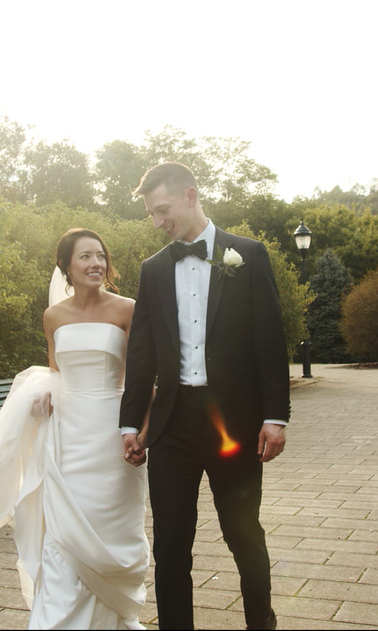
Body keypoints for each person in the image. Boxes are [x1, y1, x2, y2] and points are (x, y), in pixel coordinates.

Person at [119, 162, 290, 630]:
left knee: (243, 534)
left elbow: (269, 341)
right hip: (173, 425)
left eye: (162, 210)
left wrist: (275, 416)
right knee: (171, 543)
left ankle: (262, 622)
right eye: (152, 215)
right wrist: (130, 424)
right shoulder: (153, 270)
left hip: (233, 423)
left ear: (190, 195)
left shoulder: (249, 255)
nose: (157, 223)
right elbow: (142, 353)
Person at [0, 228, 150, 629]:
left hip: (114, 433)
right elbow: (57, 372)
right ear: (66, 266)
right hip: (67, 437)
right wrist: (46, 394)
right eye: (85, 257)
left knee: (111, 528)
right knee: (61, 536)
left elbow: (143, 380)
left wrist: (141, 433)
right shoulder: (53, 317)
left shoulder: (127, 309)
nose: (96, 263)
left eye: (100, 255)